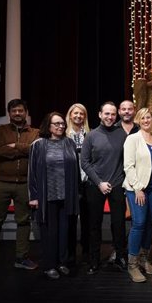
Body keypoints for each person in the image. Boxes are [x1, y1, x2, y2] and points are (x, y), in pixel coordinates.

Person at [0, 99, 40, 280]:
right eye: (14, 111)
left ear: (26, 112)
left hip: (25, 183)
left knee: (23, 221)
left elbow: (36, 151)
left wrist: (14, 146)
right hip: (1, 183)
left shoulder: (35, 132)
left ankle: (21, 257)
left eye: (21, 110)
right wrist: (24, 149)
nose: (18, 114)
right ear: (9, 113)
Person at [28, 112, 80, 279]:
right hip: (47, 196)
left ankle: (62, 262)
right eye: (56, 124)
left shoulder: (69, 143)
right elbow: (32, 173)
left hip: (67, 195)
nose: (61, 126)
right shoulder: (38, 145)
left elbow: (76, 170)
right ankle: (50, 265)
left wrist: (77, 192)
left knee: (65, 231)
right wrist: (33, 196)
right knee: (50, 232)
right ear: (48, 126)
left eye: (62, 124)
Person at [81, 102, 129, 275]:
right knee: (94, 224)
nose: (110, 117)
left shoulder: (121, 134)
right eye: (106, 114)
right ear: (100, 114)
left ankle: (120, 257)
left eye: (113, 114)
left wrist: (121, 181)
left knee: (119, 224)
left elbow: (126, 160)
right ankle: (94, 260)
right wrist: (99, 182)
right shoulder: (91, 135)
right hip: (95, 185)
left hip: (116, 184)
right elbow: (85, 162)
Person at [123, 107, 152, 282]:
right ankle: (132, 265)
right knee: (138, 223)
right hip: (137, 189)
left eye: (149, 118)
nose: (146, 120)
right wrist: (137, 188)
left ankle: (145, 260)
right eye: (143, 118)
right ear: (138, 120)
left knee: (149, 223)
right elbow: (128, 166)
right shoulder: (133, 139)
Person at [65, 103, 90, 265]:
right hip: (70, 183)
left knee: (88, 220)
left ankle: (87, 252)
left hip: (87, 182)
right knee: (70, 221)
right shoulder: (63, 134)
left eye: (81, 114)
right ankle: (70, 254)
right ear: (70, 115)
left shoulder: (90, 134)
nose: (78, 116)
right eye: (75, 113)